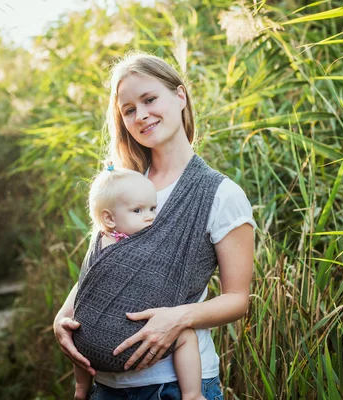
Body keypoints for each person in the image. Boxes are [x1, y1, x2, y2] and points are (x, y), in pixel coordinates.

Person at [54, 52, 256, 400]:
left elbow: (238, 300)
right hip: (106, 387)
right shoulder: (121, 187)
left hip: (174, 386)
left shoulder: (220, 194)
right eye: (129, 110)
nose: (141, 115)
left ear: (180, 97)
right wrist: (63, 316)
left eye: (149, 99)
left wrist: (178, 319)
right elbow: (101, 268)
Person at [73, 165, 206, 400]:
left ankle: (81, 389)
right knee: (186, 336)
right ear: (109, 218)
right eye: (138, 210)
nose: (150, 217)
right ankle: (193, 394)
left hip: (88, 349)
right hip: (131, 343)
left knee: (81, 328)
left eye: (153, 208)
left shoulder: (99, 242)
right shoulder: (139, 246)